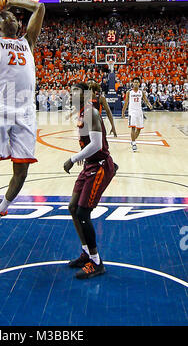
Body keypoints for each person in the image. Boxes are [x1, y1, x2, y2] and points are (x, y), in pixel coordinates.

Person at [0, 0, 45, 233]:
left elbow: (39, 8)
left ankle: (1, 208)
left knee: (22, 171)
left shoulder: (28, 42)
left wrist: (11, 2)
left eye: (15, 17)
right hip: (2, 108)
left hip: (25, 112)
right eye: (8, 17)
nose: (15, 19)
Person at [63, 82, 117, 280]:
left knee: (83, 212)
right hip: (89, 166)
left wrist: (73, 159)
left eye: (76, 91)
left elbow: (96, 144)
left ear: (86, 95)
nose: (71, 93)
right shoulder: (82, 113)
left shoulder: (91, 113)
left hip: (100, 166)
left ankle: (96, 262)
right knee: (72, 207)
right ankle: (86, 251)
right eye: (71, 90)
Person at [121, 77, 153, 152]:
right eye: (134, 82)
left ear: (139, 83)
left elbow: (145, 100)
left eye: (137, 82)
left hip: (139, 111)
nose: (135, 83)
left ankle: (132, 140)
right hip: (132, 111)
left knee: (139, 129)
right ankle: (134, 143)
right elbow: (126, 103)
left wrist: (149, 105)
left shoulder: (141, 92)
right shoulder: (129, 92)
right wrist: (123, 112)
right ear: (132, 83)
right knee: (133, 127)